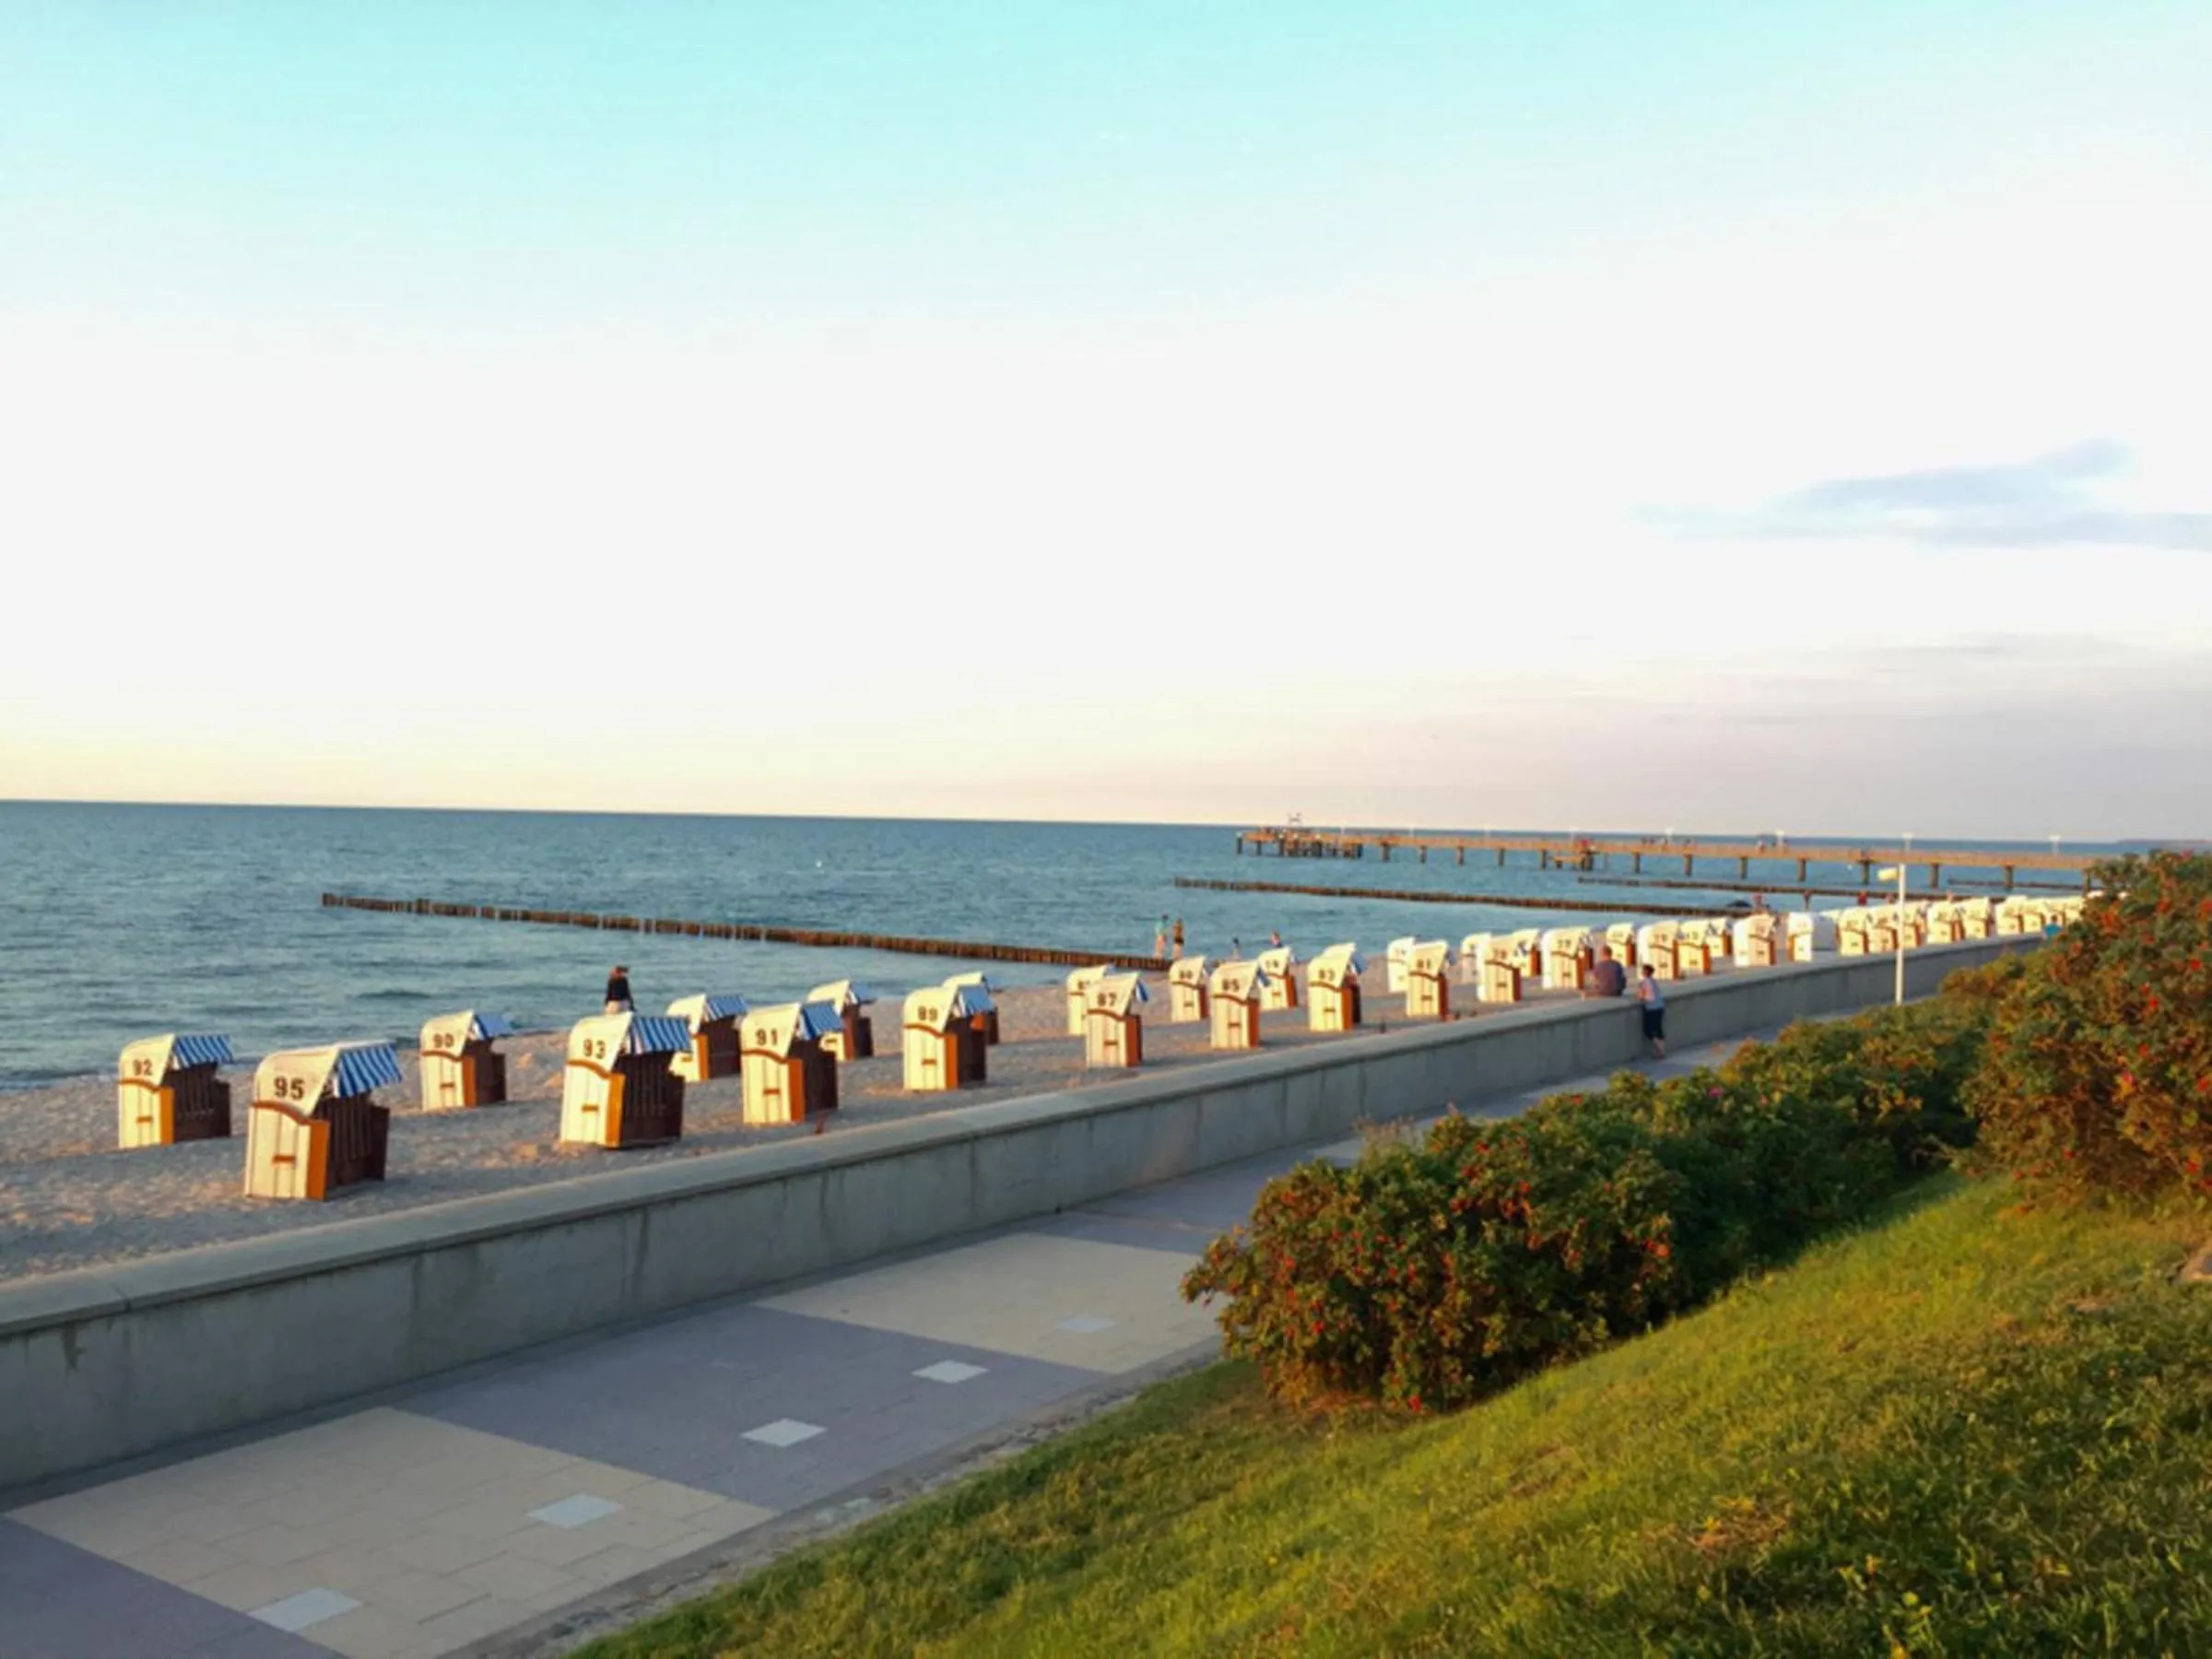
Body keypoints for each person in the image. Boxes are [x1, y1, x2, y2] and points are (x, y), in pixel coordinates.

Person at [1636, 963, 1666, 1056]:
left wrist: (1639, 996)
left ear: (1644, 973)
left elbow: (1640, 997)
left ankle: (1660, 1049)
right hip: (1660, 1007)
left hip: (1651, 1008)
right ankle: (1660, 1051)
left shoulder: (1643, 983)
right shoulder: (1654, 981)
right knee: (1659, 1029)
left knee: (1648, 1030)